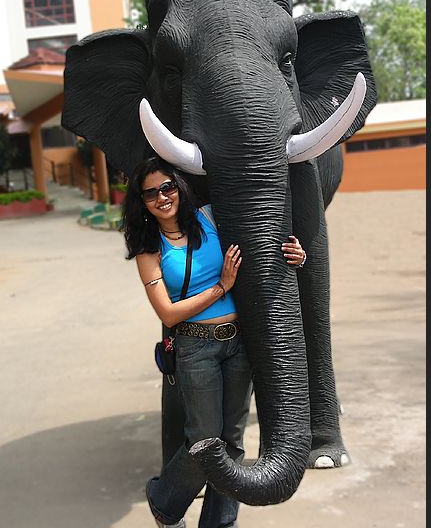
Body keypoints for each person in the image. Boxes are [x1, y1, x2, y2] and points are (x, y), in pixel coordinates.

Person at [122, 156, 306, 528]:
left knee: (232, 442)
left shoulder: (210, 218)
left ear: (179, 188)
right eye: (151, 193)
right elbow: (169, 314)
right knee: (203, 440)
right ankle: (165, 501)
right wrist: (222, 287)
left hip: (237, 344)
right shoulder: (149, 250)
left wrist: (295, 256)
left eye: (167, 187)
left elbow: (258, 244)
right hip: (195, 348)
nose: (162, 197)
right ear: (141, 202)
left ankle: (220, 523)